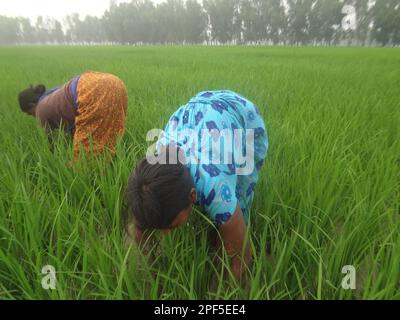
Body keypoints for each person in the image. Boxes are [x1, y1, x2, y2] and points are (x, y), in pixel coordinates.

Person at [125, 90, 268, 281]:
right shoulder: (155, 168)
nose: (166, 233)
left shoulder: (215, 188)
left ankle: (230, 225)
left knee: (240, 194)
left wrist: (224, 291)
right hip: (193, 115)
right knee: (154, 207)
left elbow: (242, 261)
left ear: (193, 195)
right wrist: (148, 259)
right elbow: (141, 220)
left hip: (241, 115)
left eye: (172, 225)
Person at [18, 71, 128, 160]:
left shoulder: (40, 110)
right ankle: (116, 160)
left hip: (93, 91)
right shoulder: (52, 95)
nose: (33, 116)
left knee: (83, 160)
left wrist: (55, 158)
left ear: (32, 105)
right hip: (114, 82)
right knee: (110, 134)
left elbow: (52, 143)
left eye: (29, 113)